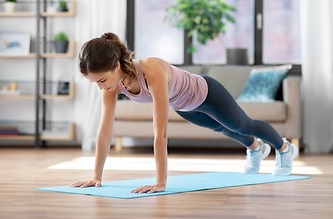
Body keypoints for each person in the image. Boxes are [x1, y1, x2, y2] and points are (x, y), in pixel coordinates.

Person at [70, 32, 298, 194]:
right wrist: (96, 176)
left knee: (242, 125)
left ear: (117, 66)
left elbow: (160, 134)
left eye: (102, 80)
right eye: (94, 83)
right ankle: (255, 147)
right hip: (185, 106)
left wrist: (160, 182)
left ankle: (285, 149)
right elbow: (105, 132)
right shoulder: (110, 86)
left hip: (208, 93)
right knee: (221, 128)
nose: (101, 87)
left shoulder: (151, 69)